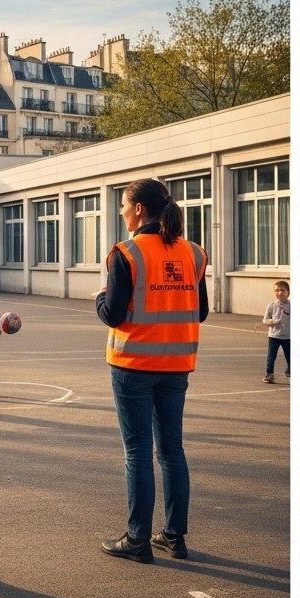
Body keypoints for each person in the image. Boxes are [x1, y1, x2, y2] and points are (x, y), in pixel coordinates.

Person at [96, 178, 208, 564]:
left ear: (139, 209)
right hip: (177, 365)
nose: (122, 213)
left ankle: (138, 539)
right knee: (172, 450)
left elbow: (112, 313)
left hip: (133, 364)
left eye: (124, 206)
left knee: (138, 452)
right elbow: (202, 311)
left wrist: (99, 299)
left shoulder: (125, 253)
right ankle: (174, 536)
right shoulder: (194, 253)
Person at [261, 280, 292, 383]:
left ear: (288, 292)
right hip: (274, 336)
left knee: (290, 356)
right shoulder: (271, 305)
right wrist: (273, 322)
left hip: (287, 336)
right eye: (276, 290)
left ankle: (290, 372)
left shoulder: (291, 306)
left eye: (282, 290)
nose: (279, 293)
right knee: (271, 356)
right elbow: (265, 320)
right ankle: (269, 374)